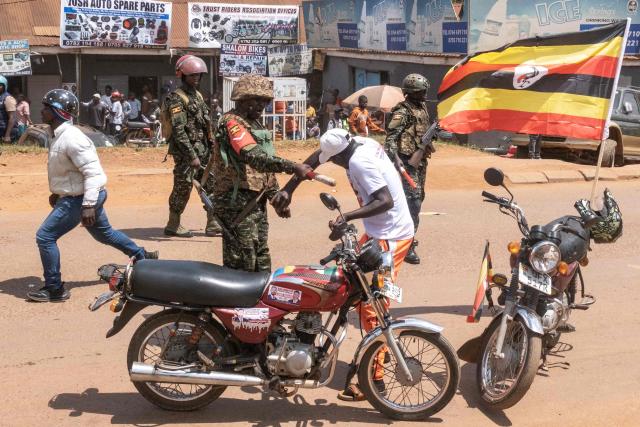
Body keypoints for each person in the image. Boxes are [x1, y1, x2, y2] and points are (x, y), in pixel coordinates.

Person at [272, 128, 414, 401]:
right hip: (376, 233)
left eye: (332, 159)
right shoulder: (357, 142)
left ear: (340, 157)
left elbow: (385, 201)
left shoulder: (360, 162)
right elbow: (315, 159)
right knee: (353, 292)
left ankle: (373, 380)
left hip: (390, 236)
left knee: (373, 306)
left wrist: (346, 216)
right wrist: (289, 188)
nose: (330, 162)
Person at [28, 89, 158, 303]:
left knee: (45, 236)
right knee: (104, 234)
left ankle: (54, 289)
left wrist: (87, 205)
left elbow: (94, 173)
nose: (42, 111)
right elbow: (70, 171)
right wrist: (58, 193)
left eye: (46, 108)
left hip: (81, 199)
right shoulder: (57, 135)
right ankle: (143, 257)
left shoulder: (72, 138)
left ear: (58, 112)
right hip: (77, 196)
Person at [212, 73, 312, 272]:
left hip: (255, 201)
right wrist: (293, 167)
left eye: (265, 101)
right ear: (242, 98)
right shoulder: (232, 123)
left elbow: (265, 164)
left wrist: (274, 195)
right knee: (243, 261)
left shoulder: (255, 125)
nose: (262, 106)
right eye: (257, 100)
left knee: (261, 258)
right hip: (236, 204)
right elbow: (255, 157)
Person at [164, 54, 222, 238]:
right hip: (186, 154)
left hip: (204, 151)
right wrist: (191, 156)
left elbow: (205, 124)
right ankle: (173, 224)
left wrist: (212, 145)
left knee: (212, 185)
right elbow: (179, 132)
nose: (196, 78)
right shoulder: (176, 99)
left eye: (198, 75)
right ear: (182, 76)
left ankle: (213, 223)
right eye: (192, 75)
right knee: (183, 188)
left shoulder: (197, 96)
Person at [384, 73, 433, 265]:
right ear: (412, 92)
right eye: (422, 91)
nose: (425, 94)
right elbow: (390, 139)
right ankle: (407, 244)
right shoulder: (402, 112)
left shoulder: (422, 108)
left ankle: (402, 238)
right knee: (413, 202)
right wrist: (396, 160)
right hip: (406, 161)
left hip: (420, 162)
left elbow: (421, 133)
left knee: (418, 198)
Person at [0, 75, 18, 143]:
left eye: (0, 85)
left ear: (4, 86)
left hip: (6, 133)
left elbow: (12, 118)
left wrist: (7, 135)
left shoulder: (8, 98)